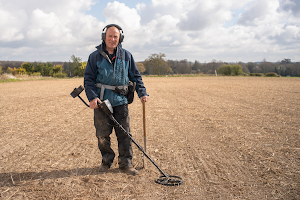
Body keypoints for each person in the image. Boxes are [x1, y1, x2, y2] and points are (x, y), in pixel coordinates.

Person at [84, 24, 148, 175]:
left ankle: (126, 163)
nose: (113, 39)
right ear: (104, 38)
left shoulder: (127, 56)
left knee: (125, 133)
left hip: (121, 101)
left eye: (116, 37)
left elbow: (136, 77)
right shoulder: (94, 56)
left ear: (120, 38)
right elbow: (88, 79)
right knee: (102, 135)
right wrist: (92, 97)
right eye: (110, 36)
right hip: (101, 102)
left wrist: (142, 92)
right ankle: (106, 161)